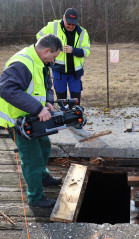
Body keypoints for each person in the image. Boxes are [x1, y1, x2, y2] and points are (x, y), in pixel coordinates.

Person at [0, 34, 63, 208]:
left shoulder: (40, 61)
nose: (53, 60)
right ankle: (35, 197)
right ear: (46, 50)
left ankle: (42, 176)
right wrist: (37, 108)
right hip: (17, 121)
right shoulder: (22, 64)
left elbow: (46, 85)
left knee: (44, 146)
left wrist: (48, 101)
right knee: (31, 158)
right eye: (54, 56)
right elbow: (6, 89)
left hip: (32, 118)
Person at [36, 7, 91, 105]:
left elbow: (86, 51)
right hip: (59, 71)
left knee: (76, 101)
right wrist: (51, 48)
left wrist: (73, 50)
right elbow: (39, 37)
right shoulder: (53, 26)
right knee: (61, 99)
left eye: (73, 24)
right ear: (63, 18)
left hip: (75, 73)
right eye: (68, 23)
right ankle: (63, 115)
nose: (70, 26)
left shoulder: (82, 32)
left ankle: (75, 116)